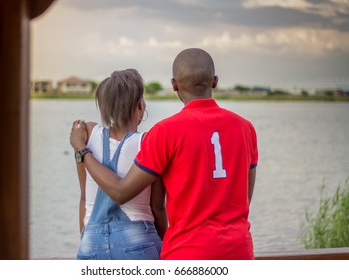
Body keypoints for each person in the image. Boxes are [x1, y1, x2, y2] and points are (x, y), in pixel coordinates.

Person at [70, 48, 258, 260]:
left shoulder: (165, 132)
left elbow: (116, 193)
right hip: (238, 250)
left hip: (186, 252)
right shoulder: (246, 129)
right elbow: (244, 199)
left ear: (174, 84)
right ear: (214, 81)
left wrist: (81, 150)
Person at [74, 69, 167, 260]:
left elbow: (84, 197)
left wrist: (86, 239)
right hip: (138, 238)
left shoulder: (87, 134)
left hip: (91, 240)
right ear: (140, 106)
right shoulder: (148, 142)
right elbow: (157, 207)